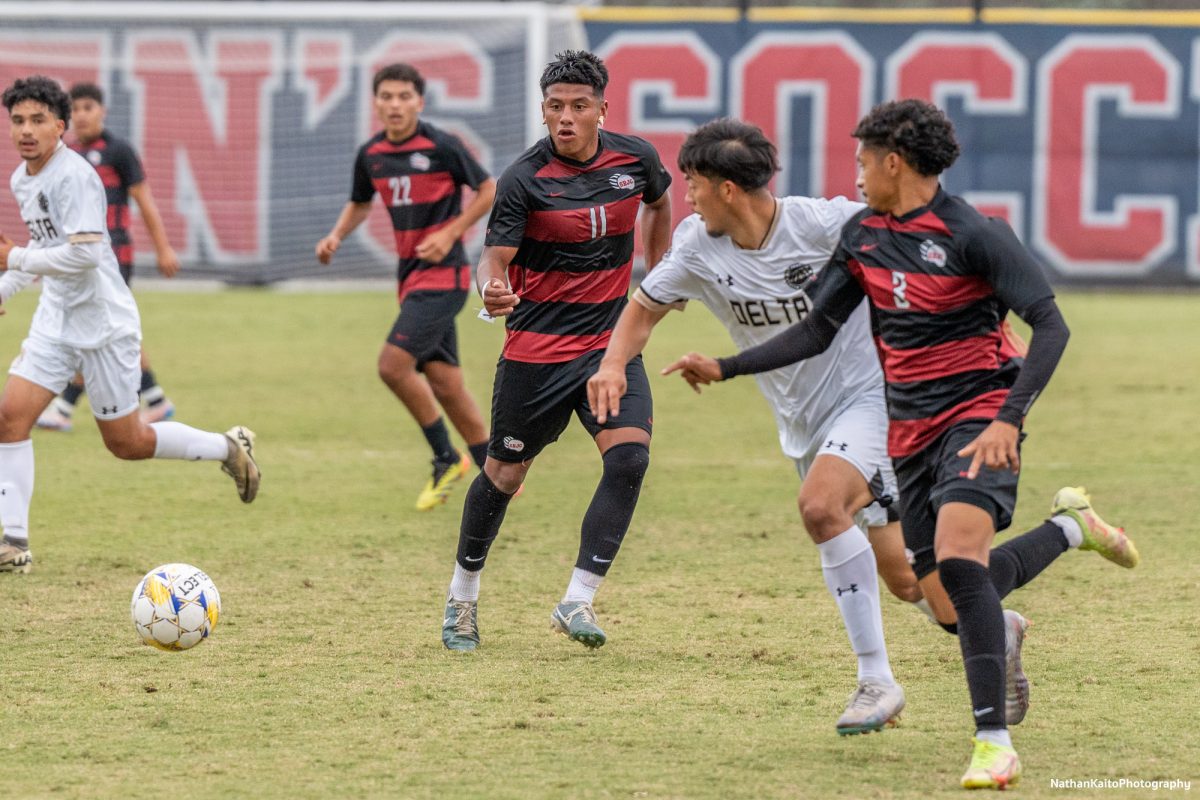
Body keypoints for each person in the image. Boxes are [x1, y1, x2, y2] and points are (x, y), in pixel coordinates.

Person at [662, 100, 1138, 790]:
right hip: (905, 430)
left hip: (977, 417)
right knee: (943, 593)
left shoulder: (974, 233)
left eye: (862, 160)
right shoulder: (861, 236)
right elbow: (817, 330)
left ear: (894, 162)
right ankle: (1070, 529)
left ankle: (992, 742)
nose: (854, 174)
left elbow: (1050, 325)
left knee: (960, 565)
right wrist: (728, 367)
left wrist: (1008, 418)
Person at [588, 117, 923, 735]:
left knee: (821, 508)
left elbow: (917, 236)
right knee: (905, 579)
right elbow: (644, 307)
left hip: (873, 397)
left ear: (727, 189)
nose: (686, 196)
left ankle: (875, 680)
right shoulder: (696, 244)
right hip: (803, 422)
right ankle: (998, 618)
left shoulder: (822, 224)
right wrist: (612, 365)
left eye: (692, 184)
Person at [440, 50, 672, 652]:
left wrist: (659, 269)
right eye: (554, 106)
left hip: (607, 350)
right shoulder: (524, 179)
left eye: (578, 106)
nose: (565, 117)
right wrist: (490, 287)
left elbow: (659, 200)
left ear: (601, 108)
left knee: (629, 460)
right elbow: (493, 257)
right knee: (504, 474)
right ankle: (462, 599)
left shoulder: (635, 158)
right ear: (543, 110)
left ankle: (577, 601)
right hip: (536, 354)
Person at [0, 76, 260, 575]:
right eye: (17, 121)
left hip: (104, 324)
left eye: (37, 121)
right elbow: (40, 256)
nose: (26, 130)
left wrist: (12, 255)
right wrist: (5, 284)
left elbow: (82, 255)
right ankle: (14, 543)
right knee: (10, 416)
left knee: (128, 443)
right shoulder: (22, 179)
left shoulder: (74, 177)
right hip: (56, 320)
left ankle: (226, 447)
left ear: (61, 125)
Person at [317, 63, 496, 512]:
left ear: (420, 101)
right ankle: (496, 475)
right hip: (411, 279)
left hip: (447, 277)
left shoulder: (441, 145)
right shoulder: (372, 153)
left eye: (403, 97)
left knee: (393, 366)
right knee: (445, 382)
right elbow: (361, 202)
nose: (395, 105)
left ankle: (444, 457)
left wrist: (452, 232)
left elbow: (489, 189)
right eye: (387, 97)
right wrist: (337, 235)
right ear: (375, 103)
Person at [35, 81, 182, 432]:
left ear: (103, 111)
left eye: (89, 107)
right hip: (77, 258)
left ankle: (64, 407)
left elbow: (145, 202)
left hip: (113, 257)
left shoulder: (120, 152)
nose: (82, 115)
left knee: (94, 327)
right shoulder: (65, 155)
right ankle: (156, 400)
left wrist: (162, 248)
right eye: (76, 109)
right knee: (107, 328)